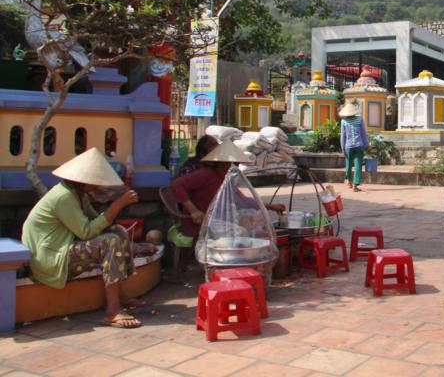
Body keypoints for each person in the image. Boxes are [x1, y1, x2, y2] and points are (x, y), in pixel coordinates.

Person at [21, 147, 144, 328]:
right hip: (50, 260)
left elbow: (99, 222)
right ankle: (112, 310)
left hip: (63, 249)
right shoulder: (63, 197)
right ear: (83, 181)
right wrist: (117, 206)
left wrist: (114, 206)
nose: (98, 185)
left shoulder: (79, 195)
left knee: (117, 232)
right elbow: (86, 232)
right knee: (110, 242)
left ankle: (119, 294)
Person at [170, 139, 286, 239]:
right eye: (233, 163)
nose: (236, 166)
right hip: (201, 221)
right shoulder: (205, 174)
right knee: (241, 232)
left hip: (219, 218)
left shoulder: (227, 179)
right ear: (222, 163)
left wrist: (271, 207)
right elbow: (176, 185)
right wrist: (193, 211)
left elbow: (243, 201)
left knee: (258, 216)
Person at [339, 101, 368, 192]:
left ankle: (349, 181)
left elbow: (343, 135)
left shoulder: (343, 121)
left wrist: (342, 147)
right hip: (359, 145)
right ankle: (355, 185)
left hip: (348, 146)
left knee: (348, 164)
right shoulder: (360, 119)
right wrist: (366, 144)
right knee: (358, 165)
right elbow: (363, 133)